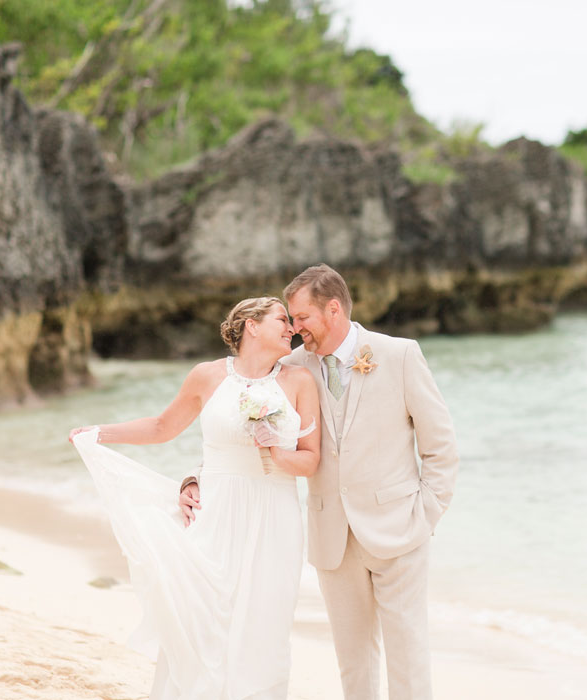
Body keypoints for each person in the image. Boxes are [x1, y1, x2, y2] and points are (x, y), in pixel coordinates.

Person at [180, 265, 460, 700]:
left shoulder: (400, 354)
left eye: (301, 318)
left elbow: (440, 446)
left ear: (333, 309)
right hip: (332, 536)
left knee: (408, 657)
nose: (294, 329)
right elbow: (234, 427)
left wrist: (426, 514)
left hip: (400, 528)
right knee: (352, 661)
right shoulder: (291, 367)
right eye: (289, 319)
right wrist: (197, 478)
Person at [70, 296, 320, 700]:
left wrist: (276, 450)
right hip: (216, 511)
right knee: (205, 616)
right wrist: (98, 433)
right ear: (251, 326)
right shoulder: (207, 376)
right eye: (281, 319)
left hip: (276, 516)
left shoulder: (298, 382)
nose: (291, 327)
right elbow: (161, 427)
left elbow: (311, 461)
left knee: (265, 626)